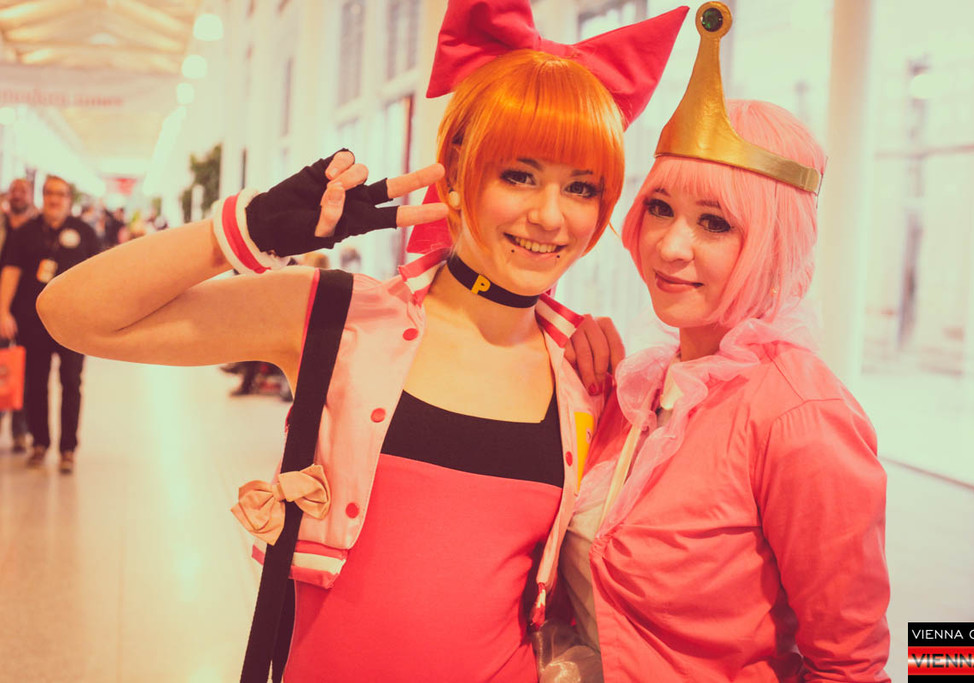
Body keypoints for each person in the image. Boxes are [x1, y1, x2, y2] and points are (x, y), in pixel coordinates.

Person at [36, 1, 686, 679]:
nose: (550, 216)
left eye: (580, 187)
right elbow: (72, 313)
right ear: (456, 169)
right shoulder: (340, 317)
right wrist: (247, 232)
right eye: (518, 175)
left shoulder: (590, 376)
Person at [554, 3, 890, 681]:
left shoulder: (800, 415)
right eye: (660, 209)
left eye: (714, 223)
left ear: (772, 243)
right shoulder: (645, 384)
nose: (671, 246)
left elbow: (850, 663)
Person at [0, 175, 101, 473]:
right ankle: (39, 442)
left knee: (71, 382)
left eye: (60, 194)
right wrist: (3, 311)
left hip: (74, 324)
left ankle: (68, 448)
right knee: (35, 383)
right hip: (32, 322)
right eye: (49, 193)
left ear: (69, 199)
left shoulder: (85, 232)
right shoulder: (25, 233)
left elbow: (98, 277)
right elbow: (11, 272)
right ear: (42, 197)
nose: (54, 199)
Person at [0, 178, 37, 453]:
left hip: (26, 309)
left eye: (23, 190)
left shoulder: (38, 228)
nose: (18, 194)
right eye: (14, 190)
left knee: (26, 371)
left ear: (30, 195)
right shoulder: (2, 226)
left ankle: (20, 431)